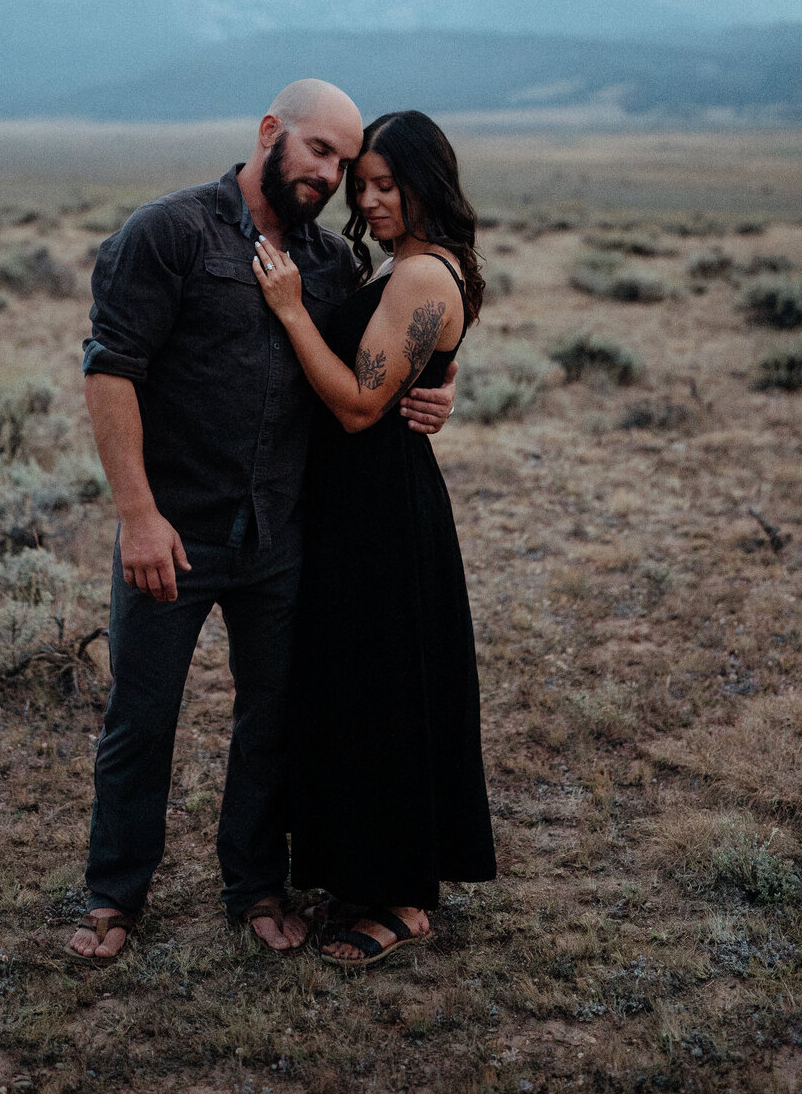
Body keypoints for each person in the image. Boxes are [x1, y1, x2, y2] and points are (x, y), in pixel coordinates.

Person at [66, 81, 457, 962]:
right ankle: (114, 895)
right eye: (320, 151)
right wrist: (138, 515)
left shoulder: (332, 264)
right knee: (141, 718)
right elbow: (111, 369)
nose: (332, 176)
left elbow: (378, 362)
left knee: (272, 720)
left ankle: (255, 887)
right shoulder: (169, 232)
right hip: (174, 532)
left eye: (346, 164)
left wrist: (437, 391)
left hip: (284, 533)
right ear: (271, 131)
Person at [251, 109, 497, 968]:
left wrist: (291, 311)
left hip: (382, 508)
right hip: (358, 501)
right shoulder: (412, 266)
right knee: (357, 687)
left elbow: (359, 406)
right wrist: (442, 383)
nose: (371, 201)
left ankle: (402, 902)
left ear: (428, 183)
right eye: (362, 187)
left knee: (386, 690)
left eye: (389, 185)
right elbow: (419, 364)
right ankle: (363, 870)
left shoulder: (422, 273)